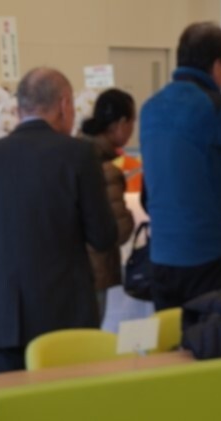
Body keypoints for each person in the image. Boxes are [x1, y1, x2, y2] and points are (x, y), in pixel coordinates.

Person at [0, 68, 116, 374]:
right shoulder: (79, 155)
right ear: (65, 105)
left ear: (19, 110)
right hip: (64, 316)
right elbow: (103, 236)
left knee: (8, 399)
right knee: (61, 398)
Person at [140, 23, 221, 311]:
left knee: (171, 337)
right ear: (217, 65)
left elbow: (150, 186)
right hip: (211, 254)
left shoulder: (149, 108)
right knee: (217, 336)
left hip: (161, 256)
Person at [79, 89, 137, 321]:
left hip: (72, 269)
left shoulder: (75, 153)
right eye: (132, 122)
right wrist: (130, 217)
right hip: (97, 270)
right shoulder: (106, 169)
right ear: (121, 123)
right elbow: (118, 231)